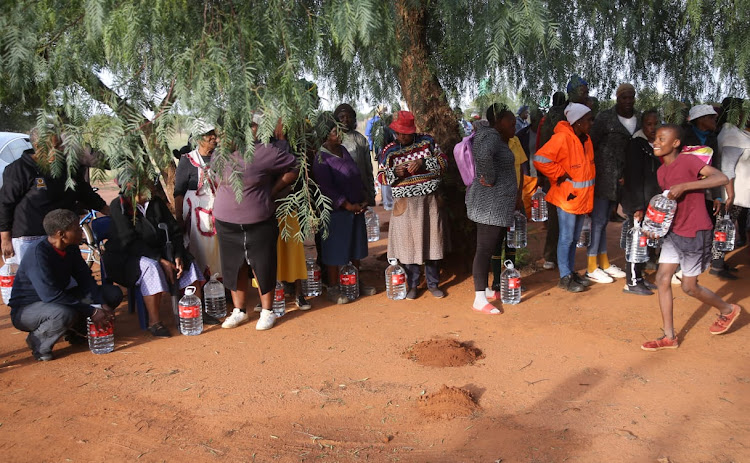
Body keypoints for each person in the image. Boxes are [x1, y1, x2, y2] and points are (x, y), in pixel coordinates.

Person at [641, 124, 740, 351]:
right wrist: (654, 224)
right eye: (655, 138)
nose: (656, 142)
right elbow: (668, 205)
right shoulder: (661, 171)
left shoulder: (688, 161)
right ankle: (669, 337)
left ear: (675, 143)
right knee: (662, 279)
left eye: (661, 139)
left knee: (689, 287)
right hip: (673, 232)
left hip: (695, 231)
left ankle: (728, 310)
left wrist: (686, 185)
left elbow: (721, 178)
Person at [213, 122, 298, 331]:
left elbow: (294, 167)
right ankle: (239, 311)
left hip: (259, 221)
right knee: (234, 266)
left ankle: (268, 311)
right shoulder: (219, 154)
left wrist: (274, 189)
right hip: (226, 222)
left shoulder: (264, 152)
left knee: (263, 264)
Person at [9, 209, 123, 361]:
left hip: (57, 299)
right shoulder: (39, 254)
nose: (81, 234)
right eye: (76, 230)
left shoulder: (70, 248)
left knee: (111, 294)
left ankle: (75, 331)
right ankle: (38, 342)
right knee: (64, 313)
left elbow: (85, 278)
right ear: (61, 234)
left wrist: (100, 302)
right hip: (28, 309)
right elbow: (50, 295)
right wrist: (92, 312)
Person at [103, 180, 204, 338]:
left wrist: (177, 254)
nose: (148, 189)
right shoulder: (119, 206)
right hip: (126, 257)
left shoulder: (155, 203)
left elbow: (174, 230)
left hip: (160, 250)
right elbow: (128, 242)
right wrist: (160, 260)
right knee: (151, 266)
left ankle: (196, 314)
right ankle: (154, 322)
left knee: (187, 260)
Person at [0, 127, 108, 263]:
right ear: (39, 147)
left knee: (71, 280)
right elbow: (5, 204)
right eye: (57, 146)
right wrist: (5, 239)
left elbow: (85, 193)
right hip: (32, 239)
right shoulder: (20, 169)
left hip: (66, 238)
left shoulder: (67, 168)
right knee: (40, 280)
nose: (62, 149)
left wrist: (109, 211)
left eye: (61, 145)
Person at [378, 110, 447, 299]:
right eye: (398, 133)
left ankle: (433, 283)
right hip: (404, 204)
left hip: (428, 201)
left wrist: (423, 163)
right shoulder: (389, 151)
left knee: (432, 242)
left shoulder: (427, 142)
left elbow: (444, 163)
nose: (401, 136)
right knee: (408, 246)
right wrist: (395, 173)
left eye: (404, 133)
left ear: (412, 131)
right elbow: (381, 177)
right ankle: (413, 285)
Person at [534, 103, 596, 292]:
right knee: (567, 238)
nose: (591, 123)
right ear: (577, 122)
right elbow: (540, 159)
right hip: (567, 198)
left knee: (574, 238)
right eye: (588, 120)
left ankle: (569, 272)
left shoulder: (586, 139)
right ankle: (564, 276)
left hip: (581, 198)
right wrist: (559, 174)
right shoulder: (562, 138)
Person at [313, 115, 375, 303]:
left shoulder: (342, 150)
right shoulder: (321, 158)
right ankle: (333, 287)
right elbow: (326, 189)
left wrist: (363, 198)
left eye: (340, 131)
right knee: (335, 250)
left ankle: (354, 282)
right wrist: (347, 205)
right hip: (336, 212)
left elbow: (355, 174)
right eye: (334, 132)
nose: (339, 135)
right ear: (325, 135)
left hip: (355, 208)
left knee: (355, 247)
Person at [467, 104, 519, 314]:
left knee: (488, 248)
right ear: (498, 121)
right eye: (510, 120)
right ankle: (479, 298)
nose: (514, 123)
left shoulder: (494, 136)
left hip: (495, 205)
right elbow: (484, 156)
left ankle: (485, 290)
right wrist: (489, 178)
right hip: (489, 205)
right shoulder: (491, 136)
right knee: (484, 250)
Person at [585, 83, 639, 284]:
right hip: (603, 177)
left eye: (630, 97)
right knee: (598, 221)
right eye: (623, 97)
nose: (627, 101)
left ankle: (605, 262)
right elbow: (591, 143)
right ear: (617, 98)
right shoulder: (605, 118)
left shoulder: (639, 119)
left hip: (626, 179)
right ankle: (592, 266)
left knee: (606, 221)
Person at [537, 78, 589, 271]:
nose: (585, 94)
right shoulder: (556, 115)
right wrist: (551, 173)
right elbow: (544, 145)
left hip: (580, 177)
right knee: (556, 217)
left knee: (574, 226)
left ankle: (568, 263)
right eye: (582, 91)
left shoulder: (586, 113)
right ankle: (551, 256)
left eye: (586, 91)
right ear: (572, 92)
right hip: (559, 175)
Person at [682, 104, 735, 280]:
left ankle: (700, 259)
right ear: (701, 119)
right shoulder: (684, 136)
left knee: (706, 223)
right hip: (685, 187)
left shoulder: (712, 138)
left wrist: (717, 195)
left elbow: (715, 166)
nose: (714, 121)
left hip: (706, 190)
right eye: (711, 118)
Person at [174, 122, 221, 279]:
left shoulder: (221, 158)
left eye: (214, 134)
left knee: (218, 247)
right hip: (195, 214)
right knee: (198, 248)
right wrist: (179, 218)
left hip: (218, 209)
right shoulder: (187, 160)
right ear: (199, 138)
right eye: (209, 135)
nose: (214, 137)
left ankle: (221, 285)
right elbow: (179, 192)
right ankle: (201, 283)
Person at [621, 110, 661, 295]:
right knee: (636, 242)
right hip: (638, 202)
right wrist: (638, 206)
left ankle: (640, 277)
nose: (652, 128)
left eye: (655, 124)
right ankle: (631, 281)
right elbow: (634, 177)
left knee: (644, 242)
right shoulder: (636, 145)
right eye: (648, 124)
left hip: (651, 202)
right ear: (642, 125)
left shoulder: (656, 145)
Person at [717, 98, 750, 251]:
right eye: (743, 111)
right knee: (724, 227)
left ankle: (720, 262)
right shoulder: (731, 136)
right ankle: (717, 264)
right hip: (732, 193)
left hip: (736, 192)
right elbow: (727, 168)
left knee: (726, 226)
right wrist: (730, 195)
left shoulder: (735, 132)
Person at [335, 103, 376, 208]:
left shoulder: (360, 140)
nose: (345, 120)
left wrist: (370, 196)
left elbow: (368, 170)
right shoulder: (332, 140)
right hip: (340, 197)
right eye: (342, 117)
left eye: (349, 117)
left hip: (360, 195)